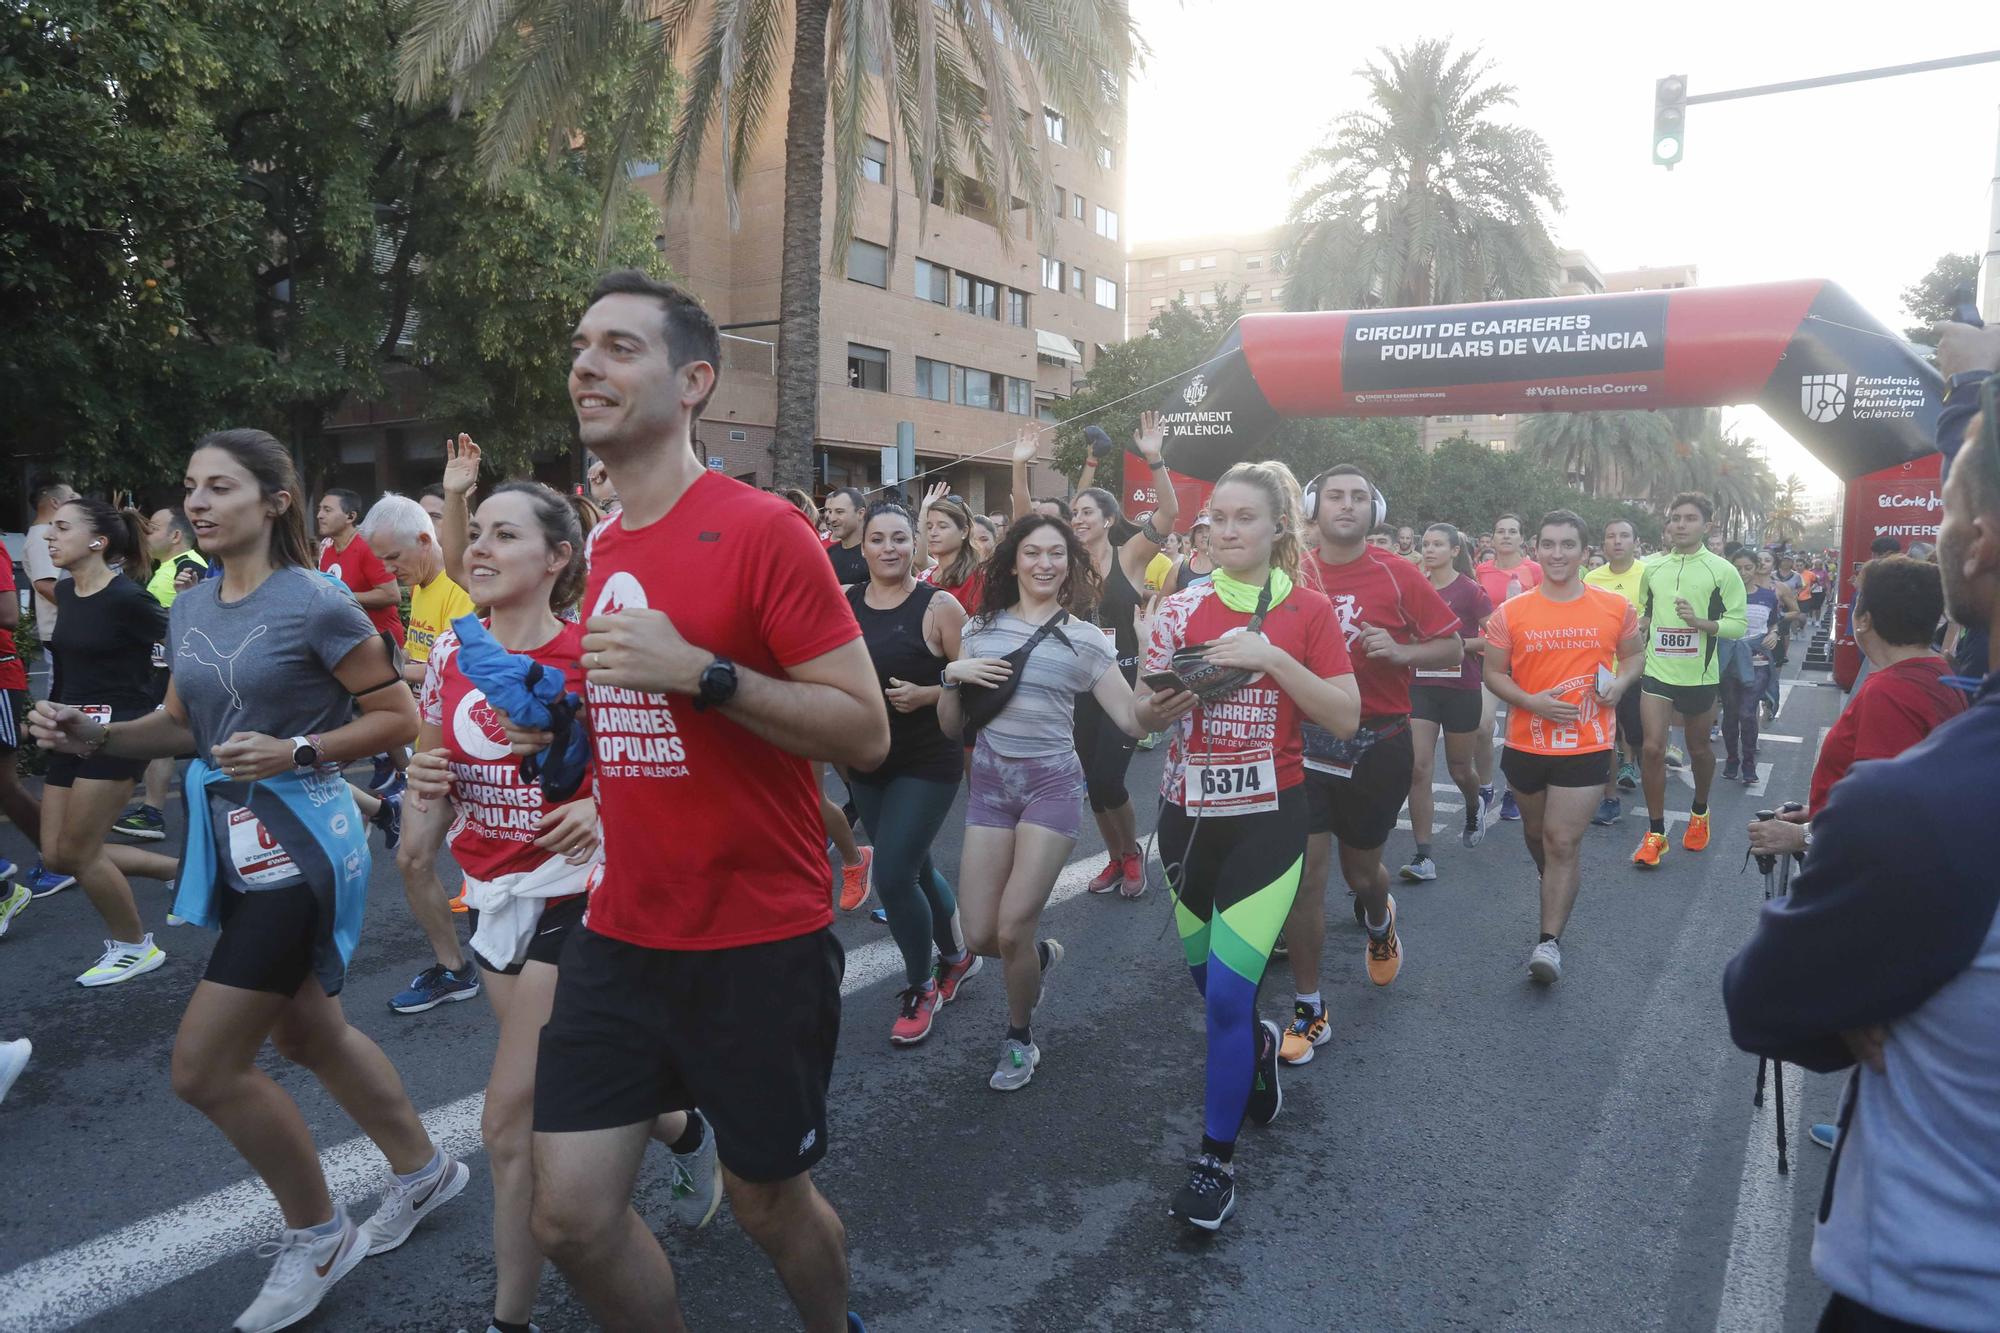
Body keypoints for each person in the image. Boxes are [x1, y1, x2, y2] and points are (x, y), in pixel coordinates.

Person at [510, 271, 887, 1333]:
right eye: (581, 345)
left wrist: (704, 674)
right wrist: (564, 744)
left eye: (619, 348)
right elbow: (646, 738)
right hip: (619, 932)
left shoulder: (763, 529)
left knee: (770, 1204)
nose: (585, 364)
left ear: (694, 383)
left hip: (756, 940)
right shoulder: (607, 546)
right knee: (570, 1220)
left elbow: (860, 728)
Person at [33, 429, 464, 1332]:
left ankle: (318, 1234)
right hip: (232, 838)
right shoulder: (190, 605)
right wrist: (96, 733)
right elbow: (183, 727)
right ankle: (425, 1170)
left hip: (304, 840)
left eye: (220, 486)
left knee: (204, 1066)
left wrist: (297, 748)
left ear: (275, 499)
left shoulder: (316, 600)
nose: (196, 501)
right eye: (189, 485)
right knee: (311, 1033)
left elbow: (398, 715)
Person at [406, 479, 722, 1333]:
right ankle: (687, 1129)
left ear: (556, 559)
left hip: (586, 894)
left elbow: (669, 772)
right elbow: (430, 767)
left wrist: (600, 804)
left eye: (504, 536)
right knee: (564, 1078)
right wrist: (420, 799)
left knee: (510, 1118)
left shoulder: (596, 653)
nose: (477, 548)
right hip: (496, 894)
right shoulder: (450, 652)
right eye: (475, 536)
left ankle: (508, 1320)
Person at [1724, 394, 2000, 1333]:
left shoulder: (1919, 795)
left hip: (1929, 1291)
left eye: (1952, 503)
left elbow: (1769, 1002)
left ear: (1981, 544)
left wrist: (1813, 845)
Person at [1136, 460, 1359, 1229]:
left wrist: (1268, 657)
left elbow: (1345, 715)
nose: (1226, 530)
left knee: (1228, 995)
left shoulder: (1307, 612)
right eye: (1216, 519)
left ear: (1276, 530)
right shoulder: (1179, 608)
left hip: (1270, 821)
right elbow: (1141, 714)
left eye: (1243, 518)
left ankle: (1213, 1162)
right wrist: (1170, 700)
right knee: (1211, 988)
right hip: (1185, 819)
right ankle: (1261, 1048)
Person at [938, 513, 1139, 1091]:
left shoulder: (1086, 638)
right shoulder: (979, 628)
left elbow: (1130, 716)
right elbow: (953, 729)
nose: (1045, 564)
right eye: (1033, 552)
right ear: (1013, 561)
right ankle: (1038, 959)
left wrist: (1151, 661)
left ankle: (1019, 1038)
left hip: (1051, 786)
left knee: (1010, 928)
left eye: (1057, 553)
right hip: (992, 789)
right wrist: (952, 676)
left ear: (1071, 565)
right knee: (979, 936)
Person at [1282, 465, 1461, 1065]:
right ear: (1313, 504)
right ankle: (1309, 1007)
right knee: (1305, 880)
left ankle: (1380, 920)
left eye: (1359, 497)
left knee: (1363, 876)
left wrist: (1402, 650)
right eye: (1335, 495)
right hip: (1301, 741)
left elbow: (1452, 645)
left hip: (1377, 740)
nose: (1347, 505)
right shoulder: (1289, 569)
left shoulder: (1399, 572)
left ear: (1375, 511)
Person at [1482, 511, 1643, 983]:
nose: (1557, 554)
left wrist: (1621, 683)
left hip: (1587, 743)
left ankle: (1548, 943)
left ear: (1583, 551)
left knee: (1562, 840)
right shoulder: (1510, 612)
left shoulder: (1615, 607)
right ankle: (1557, 877)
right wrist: (1530, 701)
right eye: (1549, 544)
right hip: (1526, 744)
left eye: (1568, 545)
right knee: (1538, 838)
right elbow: (1493, 672)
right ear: (1536, 548)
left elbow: (1634, 655)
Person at [29, 498, 181, 983]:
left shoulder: (128, 599)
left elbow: (184, 648)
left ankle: (135, 946)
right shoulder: (69, 592)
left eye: (62, 528)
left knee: (78, 851)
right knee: (56, 854)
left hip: (117, 734)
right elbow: (72, 669)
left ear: (98, 542)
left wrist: (162, 713)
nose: (50, 537)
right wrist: (51, 715)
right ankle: (181, 870)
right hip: (68, 731)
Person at [847, 503, 978, 1044]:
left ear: (915, 544)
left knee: (895, 874)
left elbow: (978, 680)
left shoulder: (939, 605)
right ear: (864, 548)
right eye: (878, 539)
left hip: (928, 759)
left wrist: (929, 693)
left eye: (900, 538)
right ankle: (956, 957)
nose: (888, 548)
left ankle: (922, 986)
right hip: (865, 760)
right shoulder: (845, 603)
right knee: (917, 867)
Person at [1053, 415, 1178, 898]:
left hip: (1125, 687)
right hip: (1079, 686)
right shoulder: (1061, 564)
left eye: (1088, 513)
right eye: (1074, 513)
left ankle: (1133, 857)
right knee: (1093, 782)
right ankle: (1115, 857)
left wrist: (1154, 457)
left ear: (1108, 520)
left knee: (1109, 778)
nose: (1078, 519)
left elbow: (1168, 513)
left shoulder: (1130, 556)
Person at [1631, 492, 1747, 868]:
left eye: (1690, 518)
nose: (1680, 524)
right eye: (1675, 518)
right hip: (1657, 672)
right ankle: (1656, 833)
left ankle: (1700, 813)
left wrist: (1701, 623)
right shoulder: (1653, 569)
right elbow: (1645, 610)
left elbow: (1737, 625)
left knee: (1698, 750)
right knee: (1652, 749)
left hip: (1700, 675)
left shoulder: (1721, 571)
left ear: (1706, 525)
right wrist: (1640, 625)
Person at [1400, 523, 1492, 879]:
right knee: (1418, 767)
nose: (1431, 549)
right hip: (1420, 685)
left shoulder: (1470, 591)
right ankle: (1424, 855)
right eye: (1427, 544)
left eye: (1439, 544)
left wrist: (1455, 647)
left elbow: (1495, 636)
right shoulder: (1414, 586)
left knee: (1459, 769)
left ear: (1455, 551)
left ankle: (1474, 803)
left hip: (1461, 688)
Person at [112, 507, 210, 843]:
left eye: (153, 528)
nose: (147, 534)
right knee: (163, 740)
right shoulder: (163, 568)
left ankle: (159, 812)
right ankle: (153, 812)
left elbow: (200, 613)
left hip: (182, 670)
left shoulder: (190, 565)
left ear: (175, 536)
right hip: (161, 670)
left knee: (178, 738)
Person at [1473, 513, 1544, 824]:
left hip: (1526, 659)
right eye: (1500, 531)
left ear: (1521, 539)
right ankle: (1486, 786)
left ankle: (1513, 791)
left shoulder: (1535, 571)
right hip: (1489, 656)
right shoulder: (1481, 571)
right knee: (1483, 725)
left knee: (1520, 728)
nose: (1505, 536)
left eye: (1512, 531)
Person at [1583, 517, 1648, 824]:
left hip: (1640, 668)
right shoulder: (1592, 577)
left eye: (1624, 536)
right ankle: (1610, 799)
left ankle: (1653, 802)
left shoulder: (1649, 574)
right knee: (1606, 736)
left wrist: (1636, 628)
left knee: (1641, 736)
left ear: (1636, 542)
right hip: (1603, 670)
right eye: (1611, 536)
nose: (1617, 541)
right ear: (1603, 543)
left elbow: (1660, 615)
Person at [316, 488, 406, 648]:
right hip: (346, 642)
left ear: (350, 516)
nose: (320, 515)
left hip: (380, 643)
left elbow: (391, 595)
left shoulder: (368, 546)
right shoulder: (325, 547)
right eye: (320, 509)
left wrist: (340, 596)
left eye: (327, 510)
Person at [917, 493, 986, 614]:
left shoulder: (979, 580)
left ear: (964, 531)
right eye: (929, 526)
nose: (933, 533)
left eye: (942, 526)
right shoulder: (923, 577)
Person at [823, 485, 869, 586]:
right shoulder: (828, 554)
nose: (832, 518)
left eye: (839, 512)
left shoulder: (875, 555)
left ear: (860, 513)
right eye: (830, 512)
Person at [1171, 513, 1217, 593]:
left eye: (1209, 531)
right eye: (1199, 531)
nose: (1204, 535)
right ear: (1193, 537)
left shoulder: (1227, 570)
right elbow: (1162, 602)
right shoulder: (1178, 568)